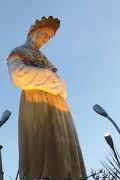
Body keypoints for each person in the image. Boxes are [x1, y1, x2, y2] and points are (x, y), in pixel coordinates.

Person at [7, 16, 86, 179]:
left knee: (62, 142)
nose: (46, 39)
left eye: (48, 38)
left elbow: (58, 80)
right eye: (44, 34)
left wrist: (56, 81)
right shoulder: (19, 52)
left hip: (57, 104)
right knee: (42, 139)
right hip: (36, 101)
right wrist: (49, 77)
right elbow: (18, 74)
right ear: (33, 33)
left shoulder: (45, 59)